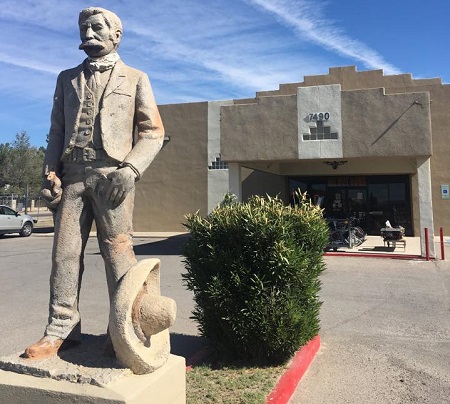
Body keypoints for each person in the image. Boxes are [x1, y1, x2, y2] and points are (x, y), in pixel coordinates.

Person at [23, 7, 164, 359]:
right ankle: (61, 330)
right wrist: (49, 170)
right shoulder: (65, 78)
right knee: (65, 255)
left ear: (116, 36)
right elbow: (56, 130)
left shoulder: (135, 78)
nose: (88, 32)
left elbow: (153, 132)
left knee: (117, 252)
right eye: (84, 27)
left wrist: (130, 170)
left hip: (112, 178)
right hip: (72, 177)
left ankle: (123, 330)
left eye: (97, 27)